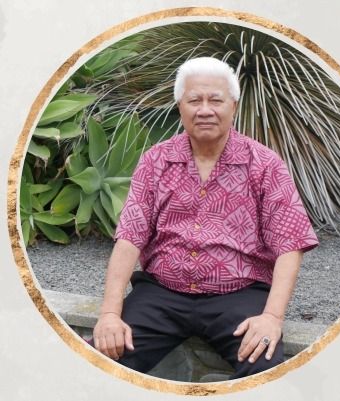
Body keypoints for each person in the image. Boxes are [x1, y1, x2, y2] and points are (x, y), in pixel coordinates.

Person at [92, 57, 319, 380]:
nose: (205, 110)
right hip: (161, 295)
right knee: (98, 361)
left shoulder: (265, 164)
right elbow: (130, 237)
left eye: (216, 100)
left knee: (265, 369)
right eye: (194, 100)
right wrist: (110, 314)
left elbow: (290, 244)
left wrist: (272, 317)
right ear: (180, 107)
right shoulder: (156, 160)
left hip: (239, 296)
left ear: (234, 106)